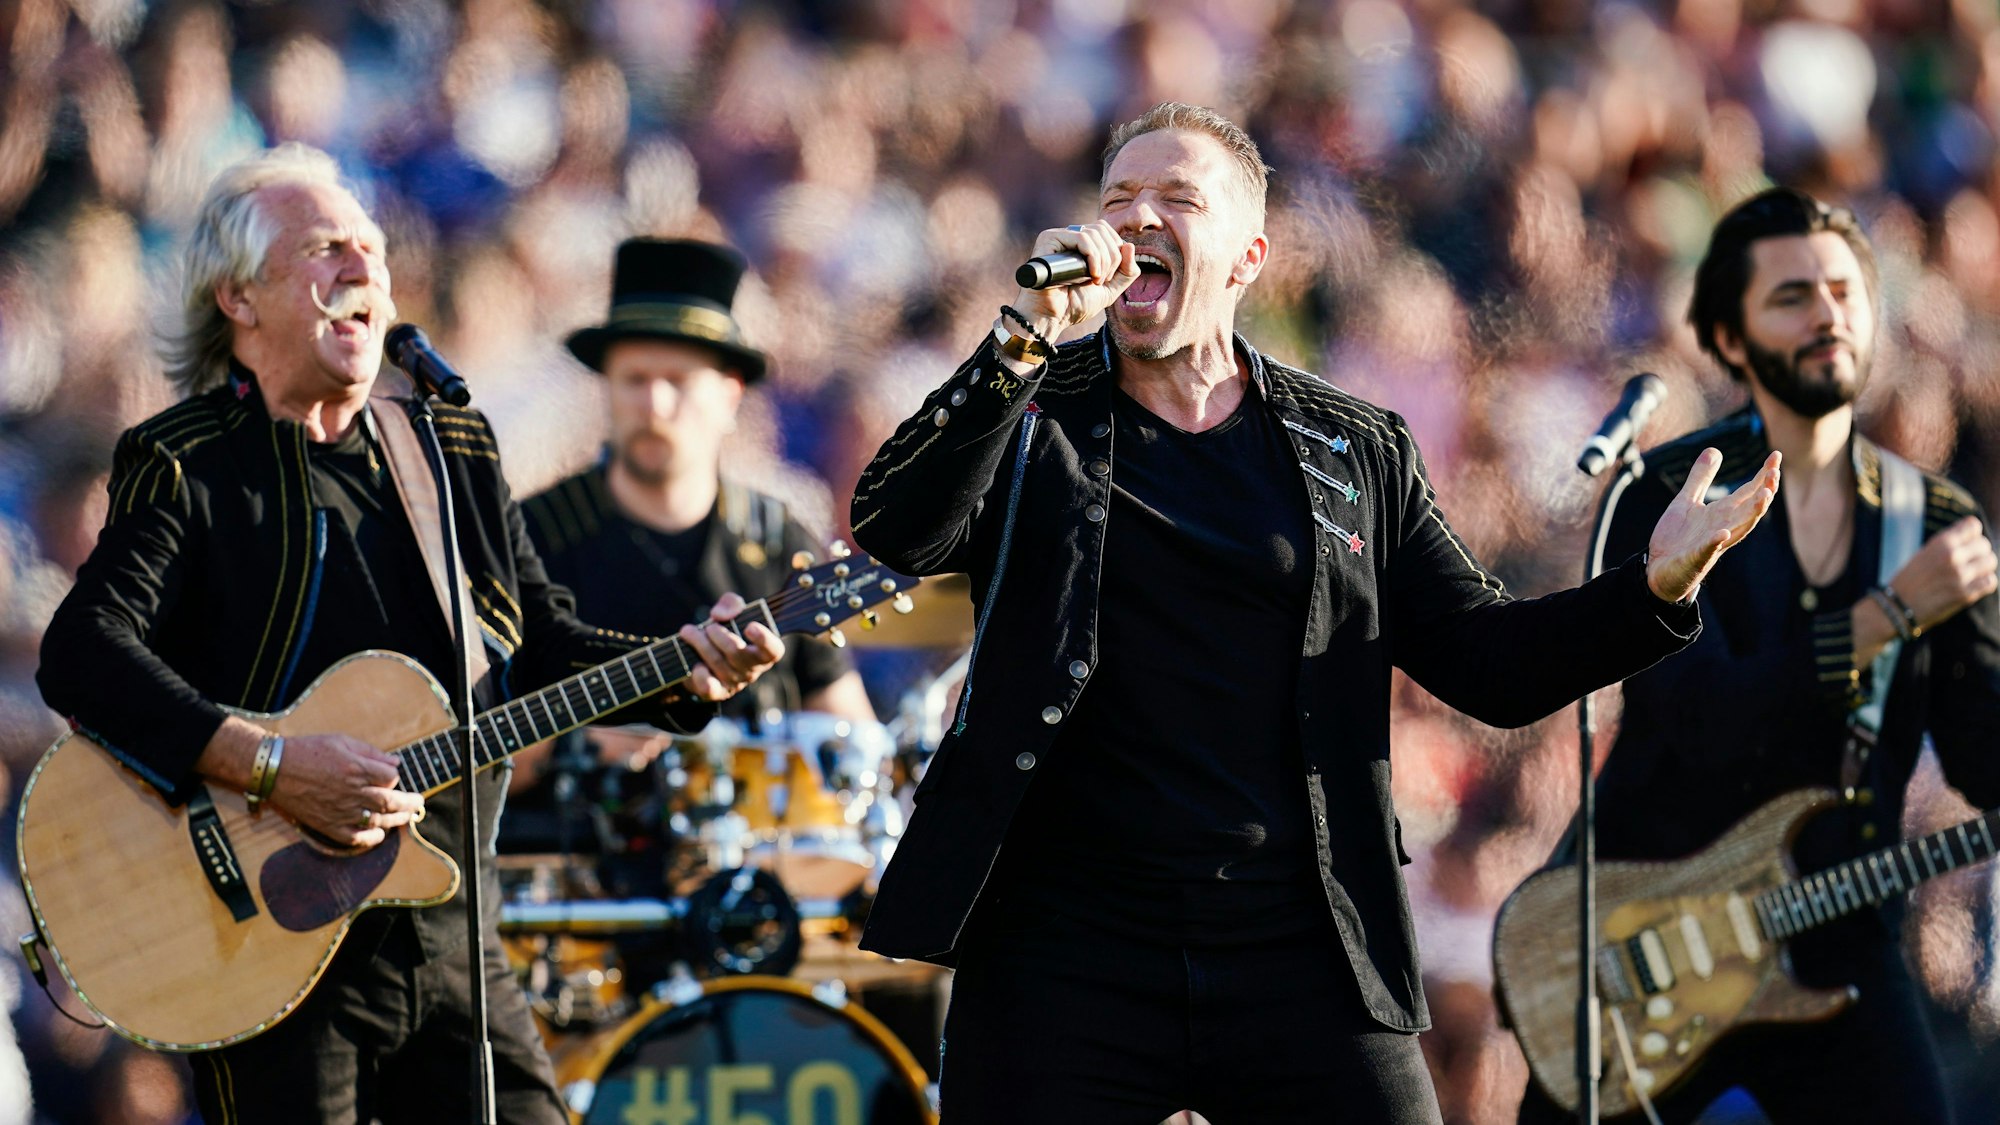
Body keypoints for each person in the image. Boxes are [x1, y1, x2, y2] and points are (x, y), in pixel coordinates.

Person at [848, 101, 1781, 1124]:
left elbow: (1484, 663)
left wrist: (1649, 589)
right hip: (1064, 946)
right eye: (1117, 199)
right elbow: (896, 525)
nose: (1135, 218)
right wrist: (1016, 345)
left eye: (1175, 198)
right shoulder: (1030, 413)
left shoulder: (1352, 448)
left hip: (1296, 946)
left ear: (1247, 258)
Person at [34, 144, 785, 1124]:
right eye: (323, 248)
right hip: (262, 942)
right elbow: (81, 655)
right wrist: (265, 767)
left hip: (448, 928)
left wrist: (689, 673)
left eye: (370, 248)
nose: (361, 268)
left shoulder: (451, 447)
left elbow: (543, 644)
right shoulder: (187, 464)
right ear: (240, 300)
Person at [1515, 189, 2000, 1123]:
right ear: (1729, 339)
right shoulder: (1673, 491)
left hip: (1836, 942)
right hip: (1646, 935)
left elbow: (1981, 759)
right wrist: (1888, 614)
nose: (1827, 314)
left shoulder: (1936, 520)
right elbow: (1699, 721)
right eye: (1791, 296)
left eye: (1845, 292)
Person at [504, 239, 874, 858]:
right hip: (567, 883)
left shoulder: (776, 539)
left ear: (730, 396)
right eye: (634, 380)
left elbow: (845, 732)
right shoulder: (530, 537)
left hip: (743, 887)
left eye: (676, 381)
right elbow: (460, 758)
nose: (653, 405)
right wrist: (575, 746)